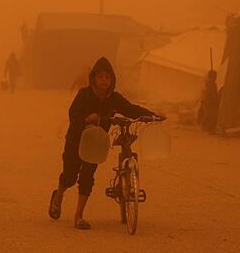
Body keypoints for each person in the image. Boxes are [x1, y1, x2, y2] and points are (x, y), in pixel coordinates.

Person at [49, 57, 163, 230]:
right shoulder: (84, 95)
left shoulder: (114, 98)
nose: (104, 80)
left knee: (87, 176)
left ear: (112, 80)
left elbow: (131, 110)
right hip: (75, 141)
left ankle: (79, 215)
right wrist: (87, 119)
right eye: (100, 76)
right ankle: (58, 196)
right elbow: (73, 115)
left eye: (107, 77)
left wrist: (153, 116)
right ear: (94, 78)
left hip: (95, 143)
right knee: (70, 176)